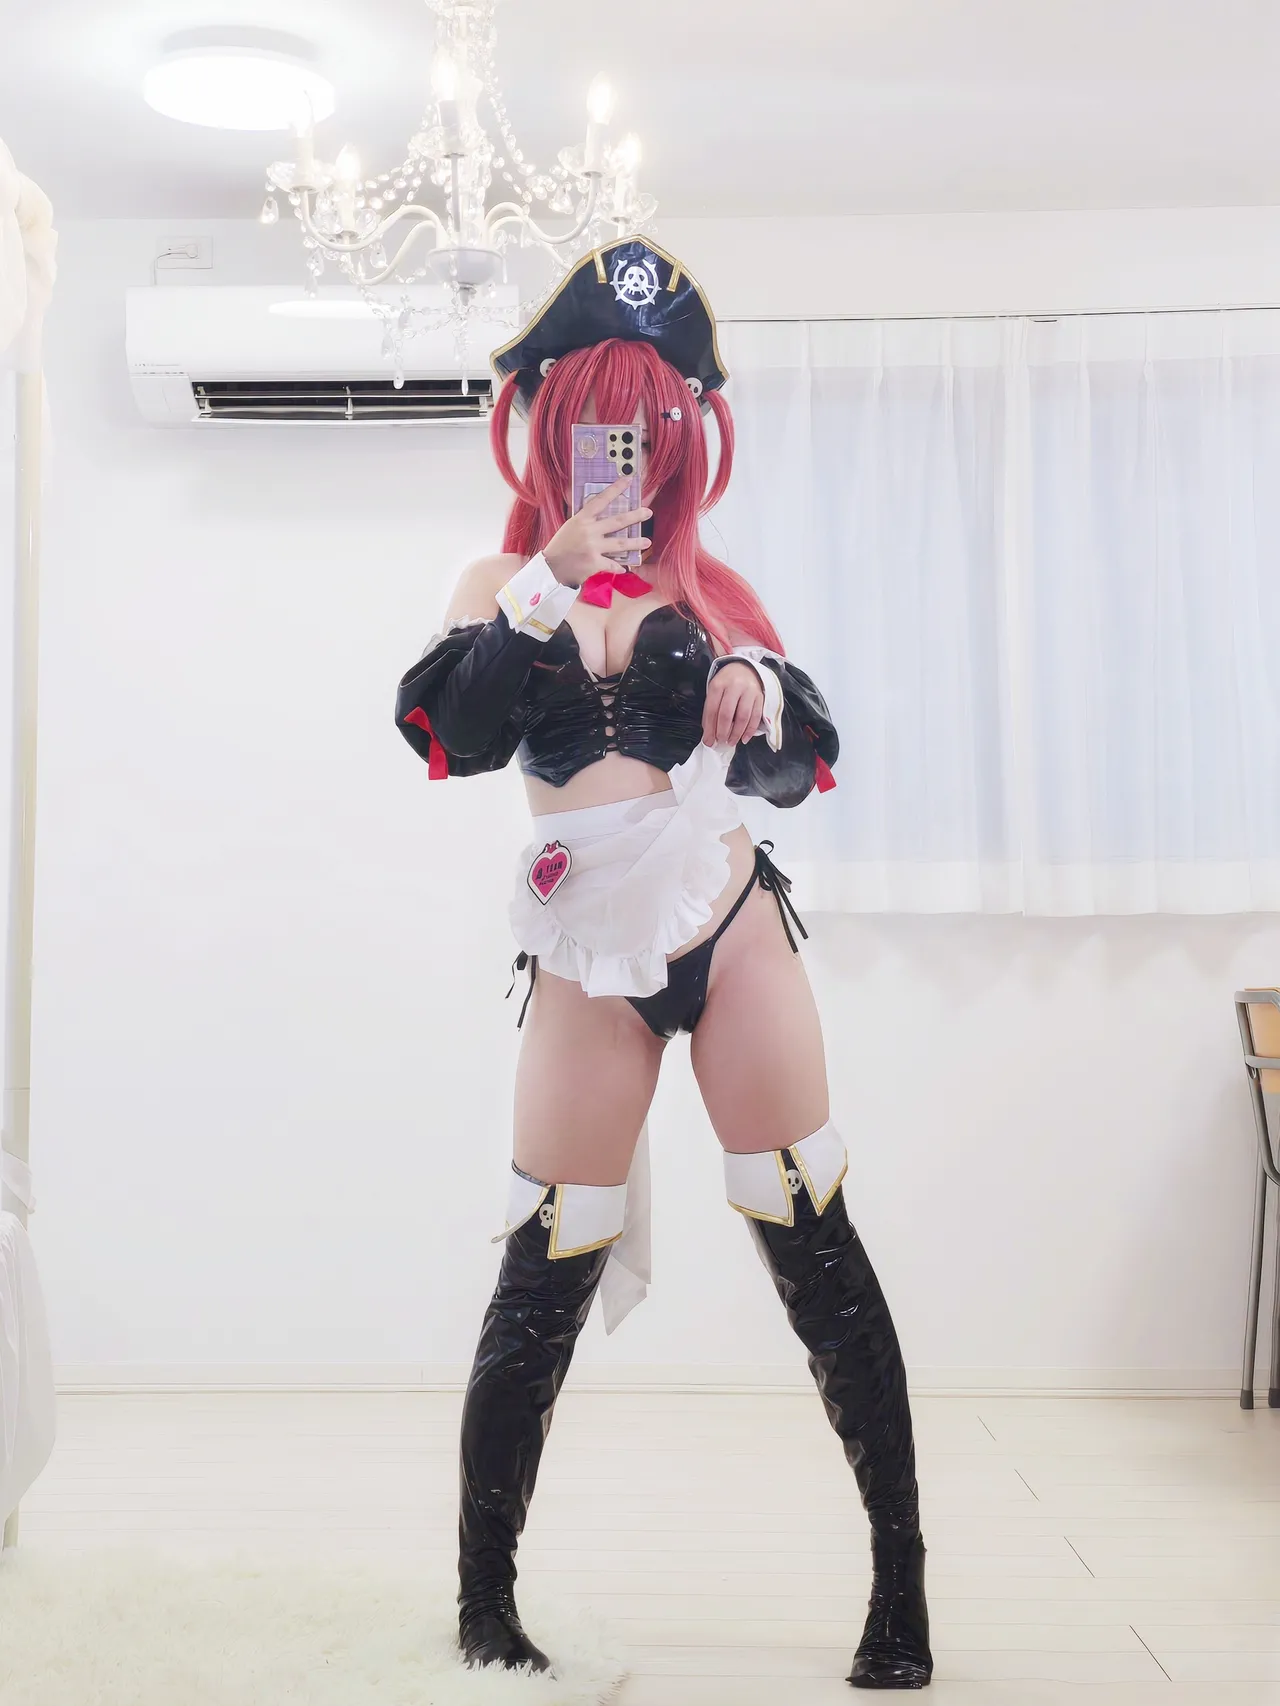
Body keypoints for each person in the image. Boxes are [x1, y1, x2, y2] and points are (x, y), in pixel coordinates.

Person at [395, 239, 933, 1691]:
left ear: (676, 438)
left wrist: (753, 687)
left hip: (729, 923)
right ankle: (485, 1600)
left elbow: (801, 756)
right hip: (588, 952)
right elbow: (454, 735)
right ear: (552, 428)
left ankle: (901, 1587)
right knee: (546, 1259)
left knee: (809, 1229)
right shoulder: (499, 580)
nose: (616, 452)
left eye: (640, 427)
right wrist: (547, 582)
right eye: (594, 423)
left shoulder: (714, 590)